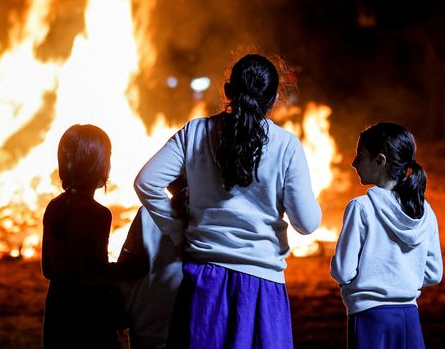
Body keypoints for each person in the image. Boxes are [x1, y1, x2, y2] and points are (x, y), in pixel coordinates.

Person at [134, 53, 322, 349]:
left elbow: (147, 182)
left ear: (227, 90)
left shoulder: (195, 132)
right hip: (261, 289)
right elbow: (308, 224)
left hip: (203, 283)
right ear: (273, 100)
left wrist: (177, 232)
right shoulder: (287, 146)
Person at [330, 122, 443, 349]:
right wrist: (402, 277)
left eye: (360, 155)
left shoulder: (361, 207)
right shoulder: (424, 210)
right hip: (409, 318)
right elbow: (433, 274)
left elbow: (343, 271)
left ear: (380, 160)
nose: (353, 163)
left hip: (369, 318)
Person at [42, 124, 147, 349]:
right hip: (87, 315)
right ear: (100, 166)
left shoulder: (53, 207)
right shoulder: (97, 214)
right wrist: (133, 267)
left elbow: (47, 268)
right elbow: (93, 274)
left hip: (57, 311)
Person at [117, 178, 186, 349]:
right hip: (189, 330)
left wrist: (121, 313)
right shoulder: (213, 220)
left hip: (146, 327)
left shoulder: (147, 214)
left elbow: (127, 274)